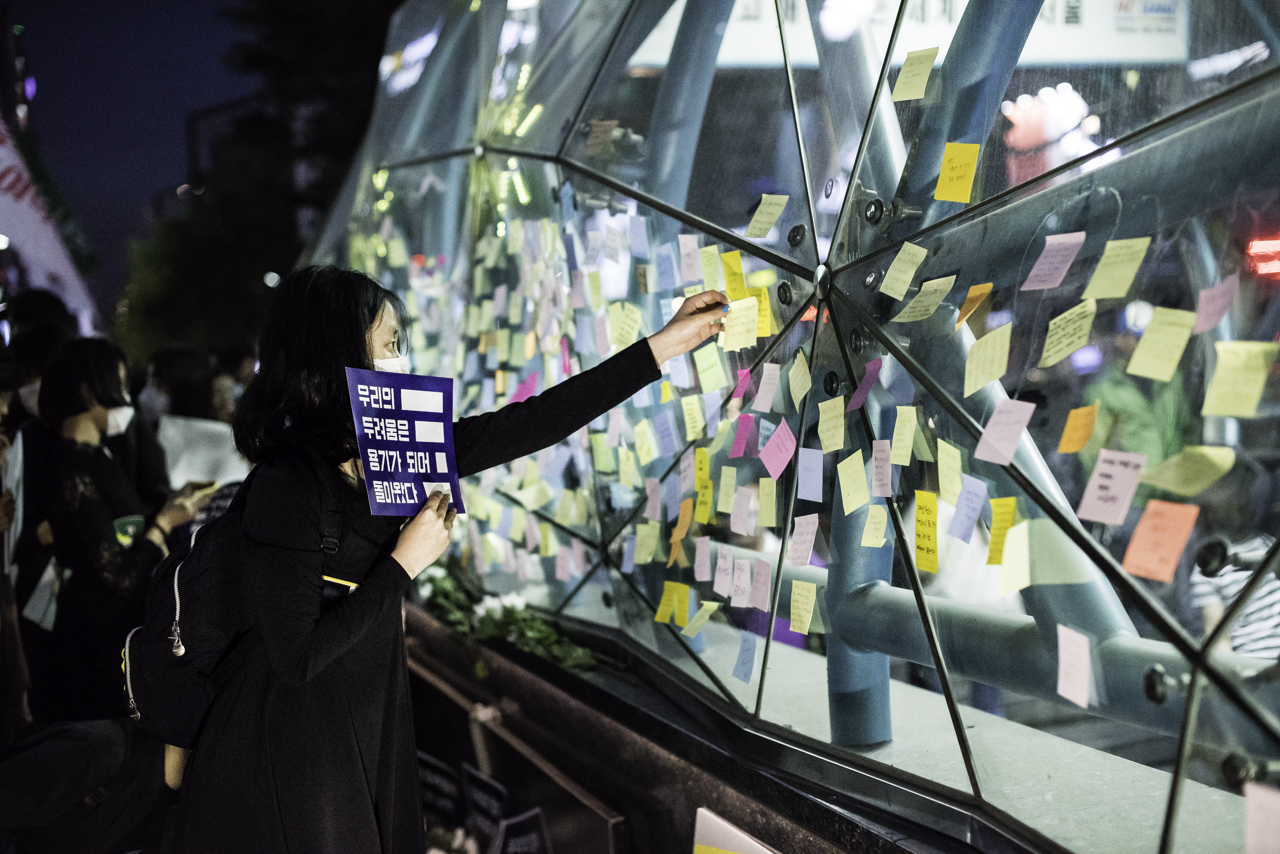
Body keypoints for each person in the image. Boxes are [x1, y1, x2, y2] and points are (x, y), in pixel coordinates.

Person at [176, 265, 729, 853]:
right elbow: (296, 657)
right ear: (335, 352)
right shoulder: (286, 484)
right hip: (292, 751)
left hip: (360, 720)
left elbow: (530, 423)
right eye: (388, 344)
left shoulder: (391, 448)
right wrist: (402, 565)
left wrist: (661, 346)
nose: (399, 359)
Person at [33, 338, 213, 722]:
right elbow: (121, 573)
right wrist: (164, 525)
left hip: (117, 625)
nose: (126, 397)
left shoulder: (102, 454)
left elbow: (121, 529)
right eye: (117, 383)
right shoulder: (71, 469)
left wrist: (168, 508)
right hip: (95, 637)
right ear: (87, 389)